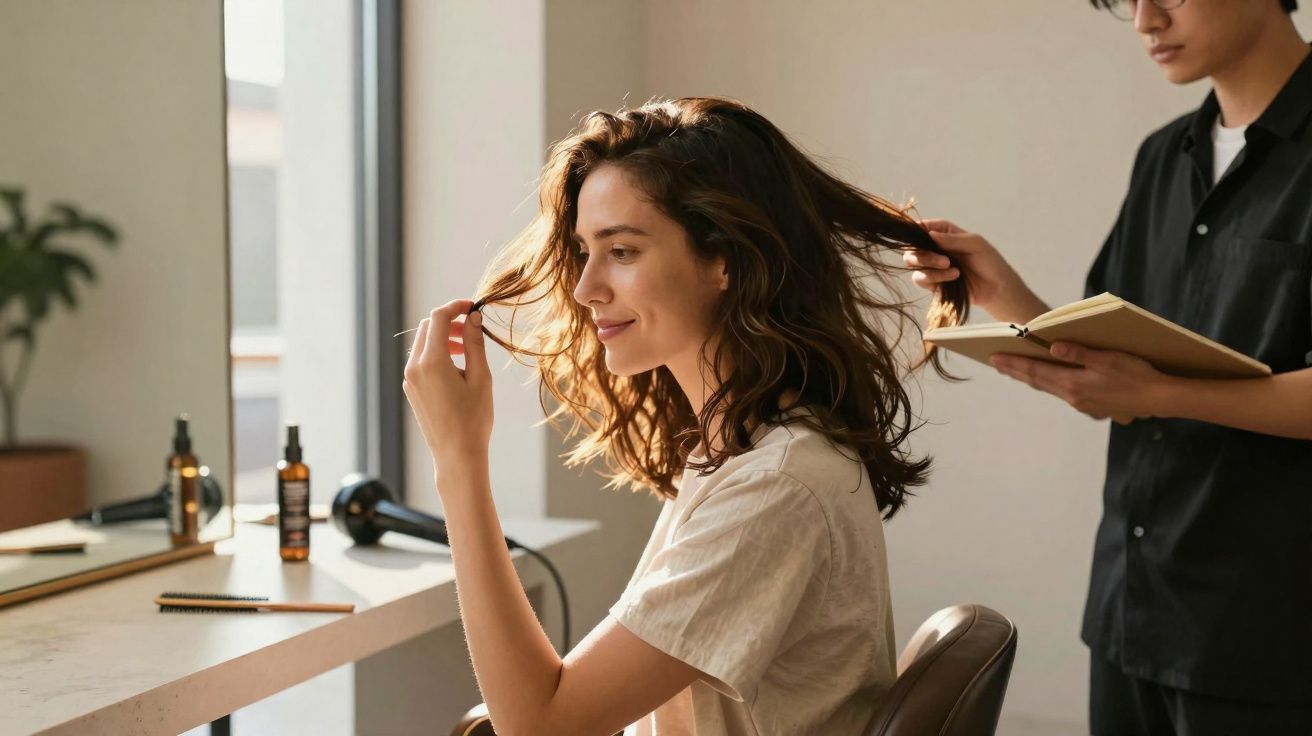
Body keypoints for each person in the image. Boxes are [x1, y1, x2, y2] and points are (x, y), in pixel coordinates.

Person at [400, 97, 968, 735]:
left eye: (622, 251)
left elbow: (541, 726)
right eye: (585, 251)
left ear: (724, 259)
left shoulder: (775, 486)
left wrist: (459, 463)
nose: (586, 289)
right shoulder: (743, 447)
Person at [903, 1, 1312, 732]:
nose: (1146, 21)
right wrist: (1006, 295)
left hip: (1268, 632)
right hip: (1131, 609)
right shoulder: (1164, 156)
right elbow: (1122, 365)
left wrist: (1161, 394)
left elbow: (1148, 387)